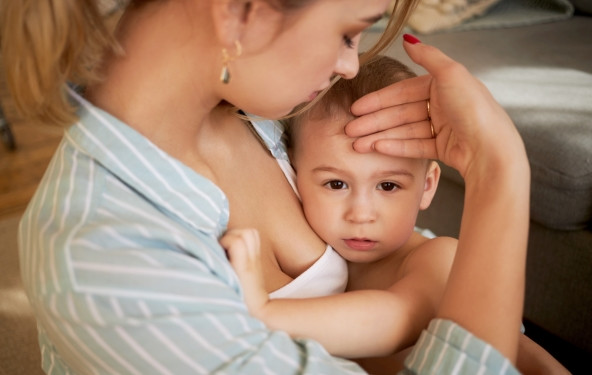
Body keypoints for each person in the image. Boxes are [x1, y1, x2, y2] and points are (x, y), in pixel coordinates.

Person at [0, 0, 539, 373]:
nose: (350, 65)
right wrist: (500, 172)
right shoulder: (105, 260)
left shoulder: (266, 119)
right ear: (242, 13)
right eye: (348, 31)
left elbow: (407, 276)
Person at [223, 55, 569, 374]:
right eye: (336, 184)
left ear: (427, 186)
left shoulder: (439, 258)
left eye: (388, 187)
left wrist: (263, 313)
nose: (361, 213)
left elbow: (393, 323)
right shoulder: (330, 259)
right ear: (294, 174)